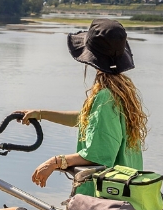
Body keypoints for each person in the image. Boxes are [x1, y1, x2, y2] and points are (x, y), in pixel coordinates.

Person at [19, 18, 147, 194]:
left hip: (102, 200)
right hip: (127, 195)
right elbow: (89, 120)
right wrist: (41, 114)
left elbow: (98, 156)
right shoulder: (122, 92)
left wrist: (55, 162)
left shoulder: (105, 97)